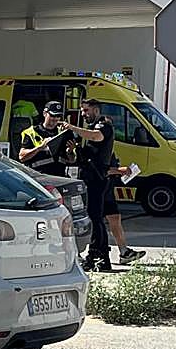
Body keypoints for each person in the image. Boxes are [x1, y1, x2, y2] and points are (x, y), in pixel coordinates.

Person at [61, 99, 115, 272]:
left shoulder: (103, 125)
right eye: (82, 111)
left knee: (95, 218)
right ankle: (97, 256)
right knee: (93, 217)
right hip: (89, 177)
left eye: (86, 111)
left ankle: (99, 256)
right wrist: (73, 149)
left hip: (98, 179)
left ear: (96, 111)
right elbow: (86, 153)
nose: (83, 114)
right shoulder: (90, 129)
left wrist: (71, 127)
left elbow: (96, 137)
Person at [105, 158, 145, 265]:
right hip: (97, 188)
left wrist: (118, 172)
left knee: (115, 217)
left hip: (107, 188)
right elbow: (99, 169)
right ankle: (80, 254)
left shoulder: (108, 146)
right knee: (91, 221)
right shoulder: (97, 145)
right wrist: (119, 170)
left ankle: (124, 252)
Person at [18, 101, 71, 177]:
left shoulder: (63, 133)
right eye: (52, 115)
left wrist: (70, 151)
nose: (55, 119)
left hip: (59, 178)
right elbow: (22, 157)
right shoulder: (31, 132)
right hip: (39, 178)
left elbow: (72, 160)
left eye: (58, 116)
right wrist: (39, 148)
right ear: (44, 113)